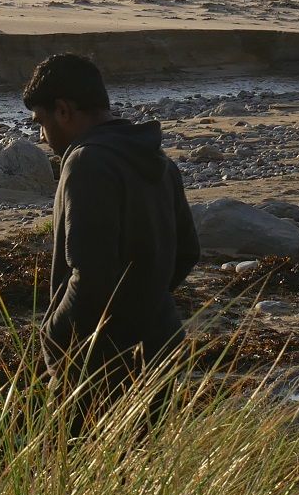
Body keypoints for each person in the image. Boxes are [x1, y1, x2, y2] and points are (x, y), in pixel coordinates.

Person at [22, 54, 195, 413]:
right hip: (160, 346)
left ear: (64, 110)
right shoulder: (159, 160)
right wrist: (147, 301)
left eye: (40, 121)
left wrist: (53, 338)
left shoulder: (86, 162)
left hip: (98, 364)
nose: (41, 135)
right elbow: (188, 250)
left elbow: (91, 276)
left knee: (76, 463)